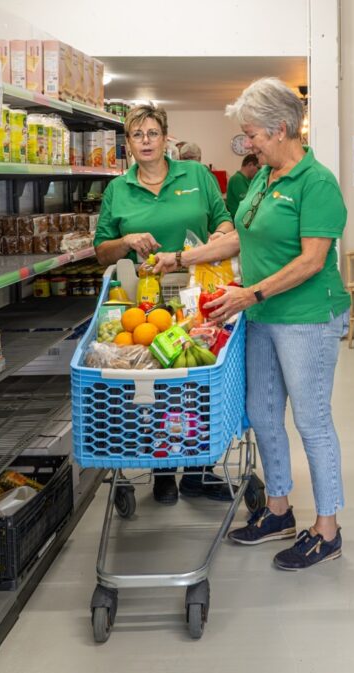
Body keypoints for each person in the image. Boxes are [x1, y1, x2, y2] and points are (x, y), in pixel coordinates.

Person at [153, 77, 350, 571]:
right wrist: (179, 257)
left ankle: (328, 530)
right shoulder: (263, 178)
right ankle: (279, 511)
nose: (248, 144)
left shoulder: (316, 182)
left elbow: (311, 261)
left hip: (306, 318)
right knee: (261, 413)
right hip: (259, 315)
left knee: (312, 420)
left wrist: (250, 293)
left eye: (253, 135)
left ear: (281, 128)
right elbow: (239, 239)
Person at [93, 103, 235, 505]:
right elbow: (102, 252)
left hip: (198, 295)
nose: (146, 142)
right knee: (154, 383)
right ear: (128, 144)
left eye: (153, 133)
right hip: (145, 303)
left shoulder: (196, 175)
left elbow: (223, 221)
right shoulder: (118, 190)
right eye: (137, 135)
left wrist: (216, 239)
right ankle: (162, 470)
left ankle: (198, 469)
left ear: (165, 138)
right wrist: (126, 241)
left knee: (196, 379)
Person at [225, 153, 260, 221]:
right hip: (238, 221)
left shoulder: (249, 180)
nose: (259, 171)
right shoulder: (237, 179)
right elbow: (249, 203)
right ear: (250, 165)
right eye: (258, 168)